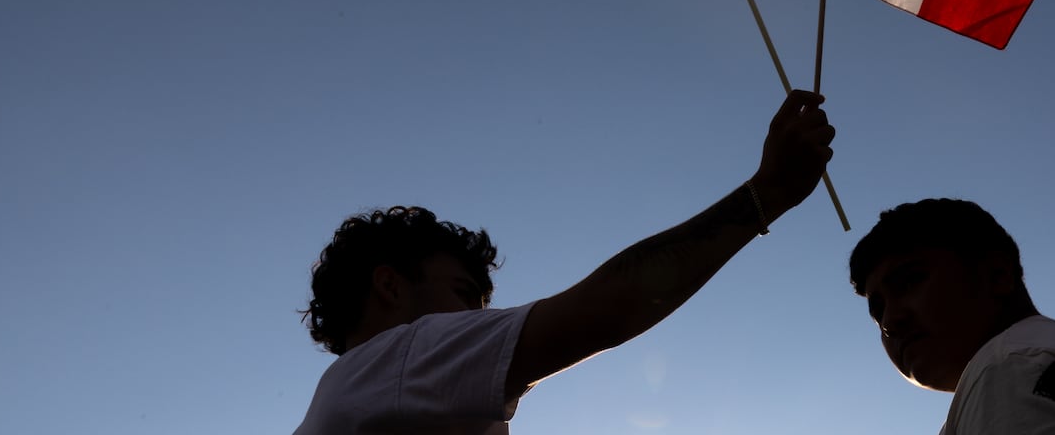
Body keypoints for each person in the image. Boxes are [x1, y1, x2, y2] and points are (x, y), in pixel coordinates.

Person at [292, 90, 836, 434]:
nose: (477, 320)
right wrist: (767, 193)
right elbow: (606, 309)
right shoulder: (394, 362)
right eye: (462, 294)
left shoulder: (357, 399)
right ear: (389, 285)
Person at [850, 198, 1055, 435]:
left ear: (998, 275)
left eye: (910, 281)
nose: (890, 321)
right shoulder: (1046, 357)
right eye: (877, 312)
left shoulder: (1009, 366)